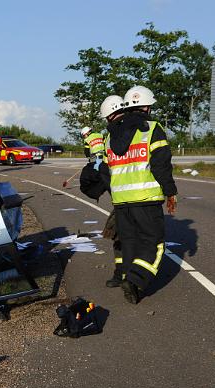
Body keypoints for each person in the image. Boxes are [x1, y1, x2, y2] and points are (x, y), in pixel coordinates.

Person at [106, 85, 177, 303]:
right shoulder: (152, 128)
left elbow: (109, 169)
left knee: (130, 243)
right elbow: (161, 164)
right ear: (146, 107)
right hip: (146, 198)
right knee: (154, 244)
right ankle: (135, 280)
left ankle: (131, 285)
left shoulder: (110, 135)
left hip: (121, 201)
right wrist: (170, 192)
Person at [97, 95, 126, 287]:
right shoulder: (143, 129)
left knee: (118, 236)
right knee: (123, 236)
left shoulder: (111, 136)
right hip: (134, 196)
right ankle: (124, 273)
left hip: (126, 197)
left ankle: (123, 274)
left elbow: (106, 170)